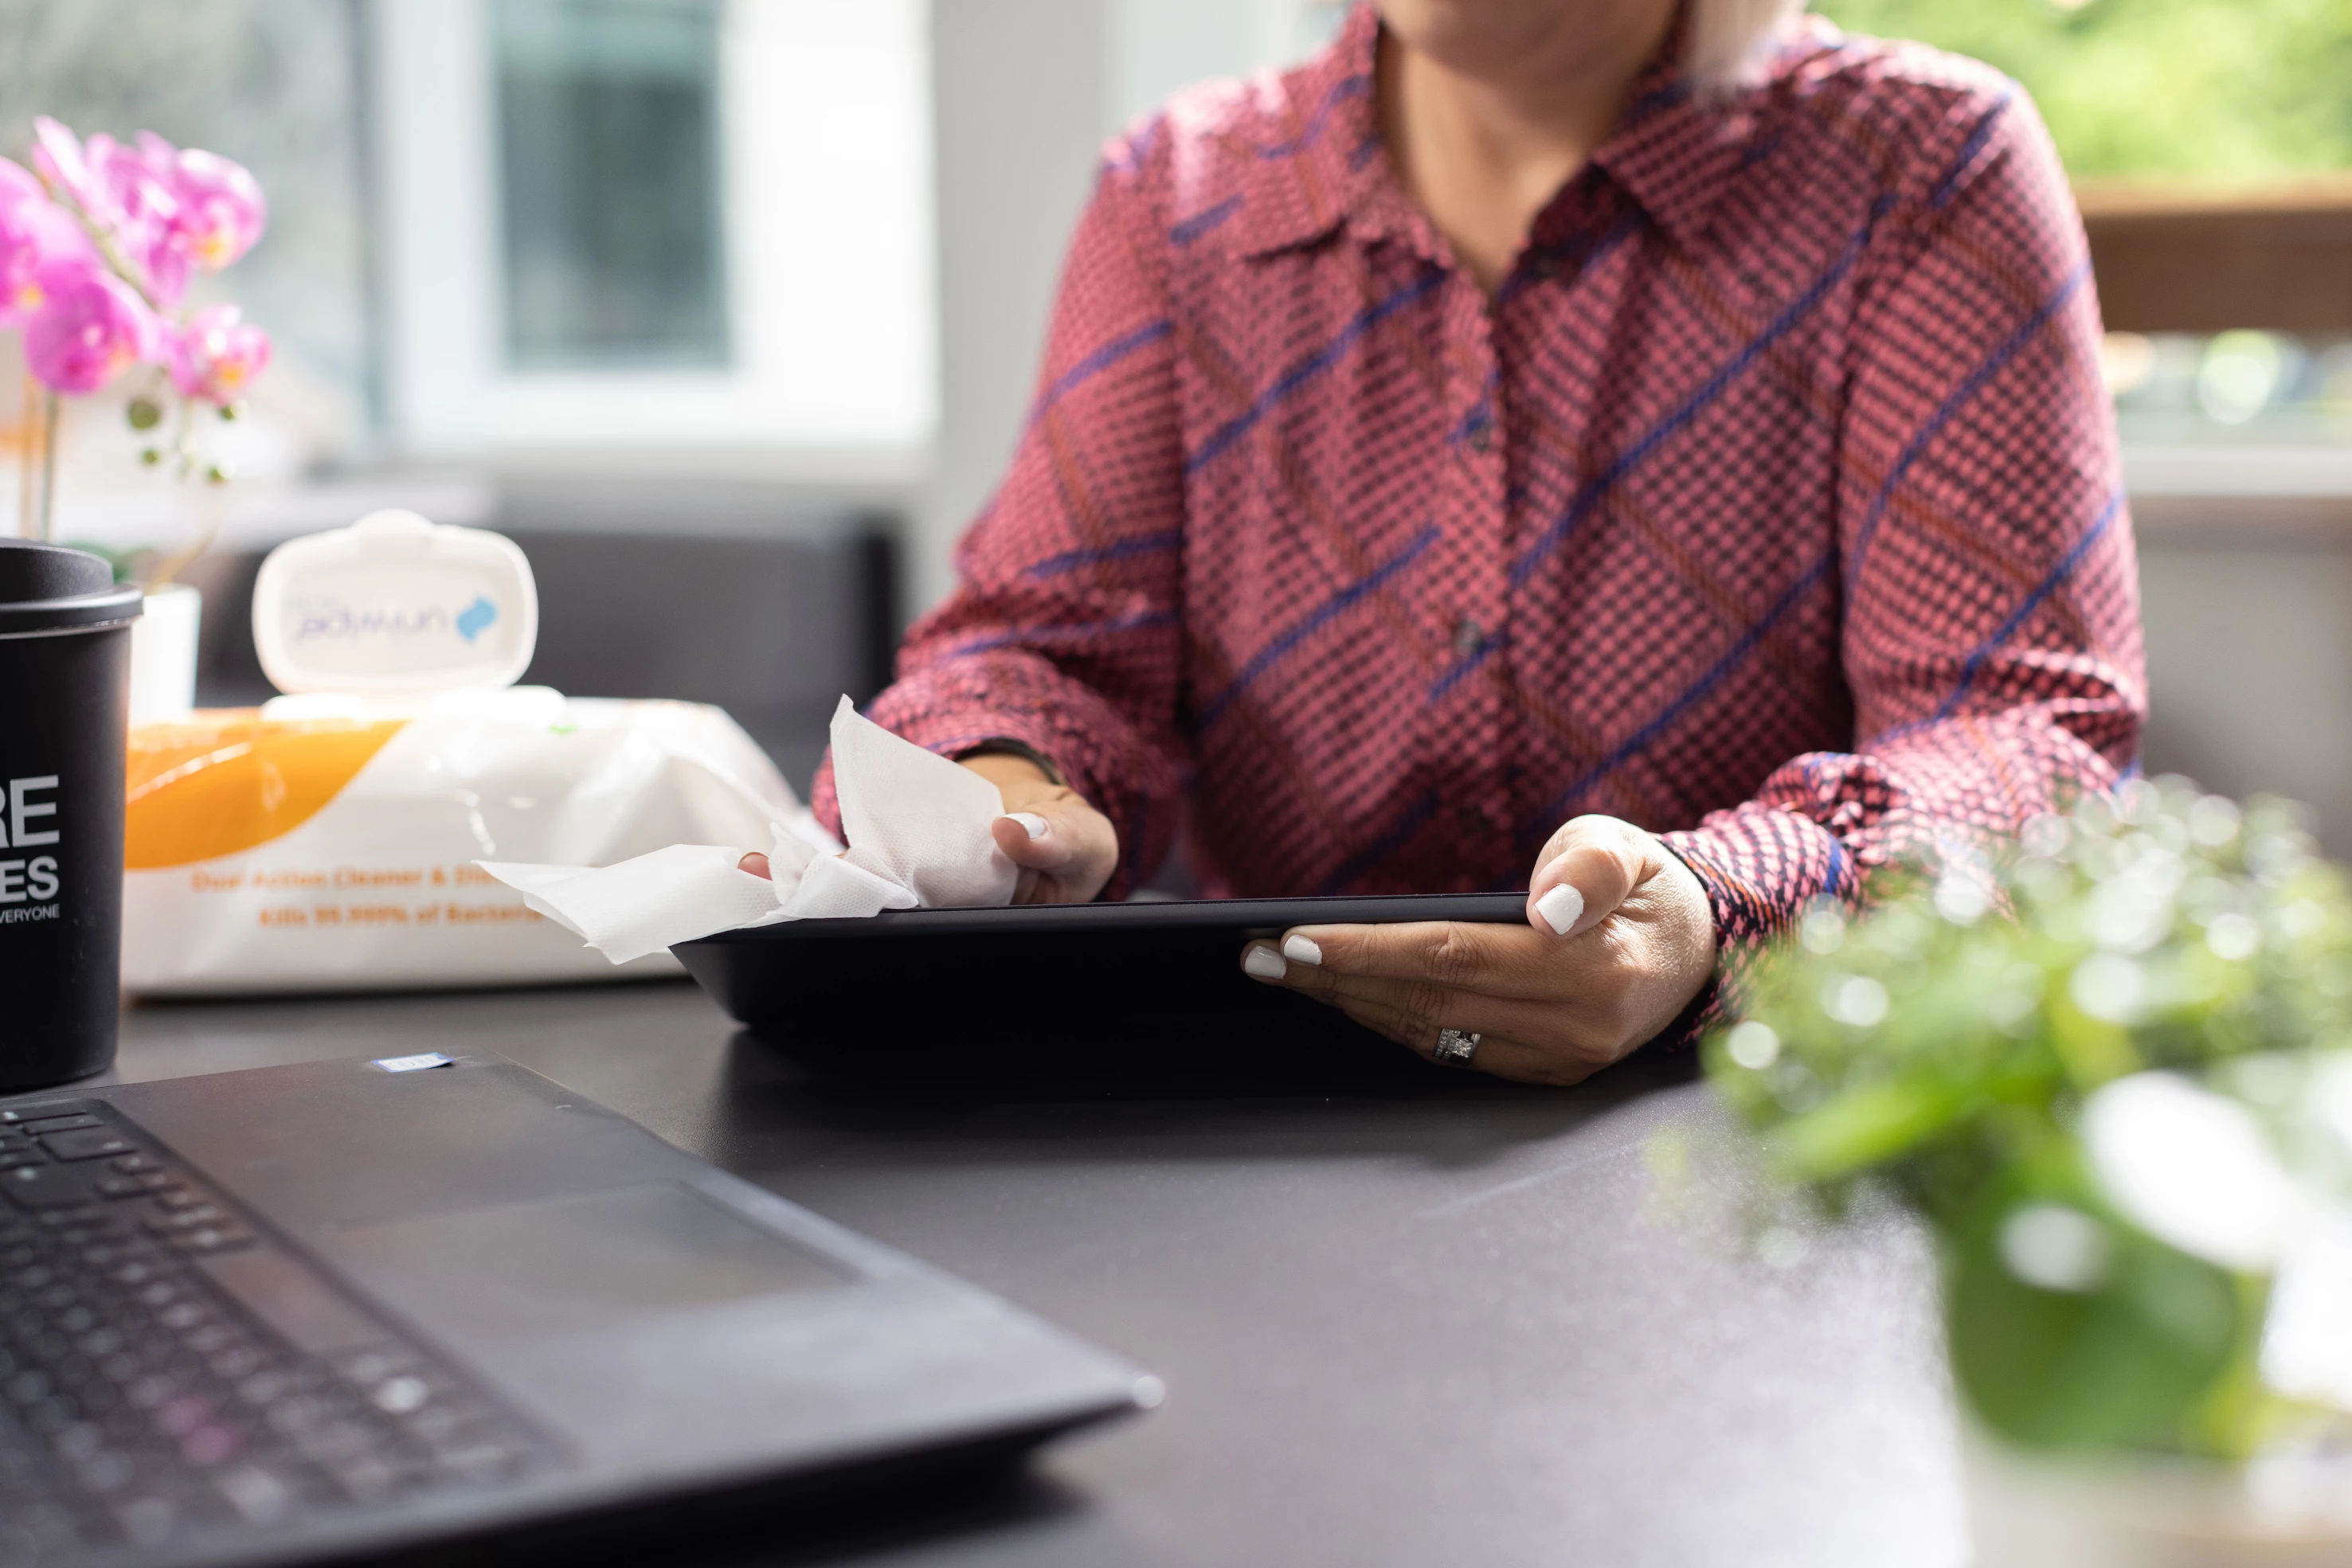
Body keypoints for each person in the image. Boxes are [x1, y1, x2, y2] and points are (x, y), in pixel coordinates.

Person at [808, 0, 2144, 1084]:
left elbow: (2026, 743)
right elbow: (1046, 648)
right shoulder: (1179, 193)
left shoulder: (1924, 164)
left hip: (1749, 1118)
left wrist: (1720, 905)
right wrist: (1002, 793)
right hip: (1254, 1112)